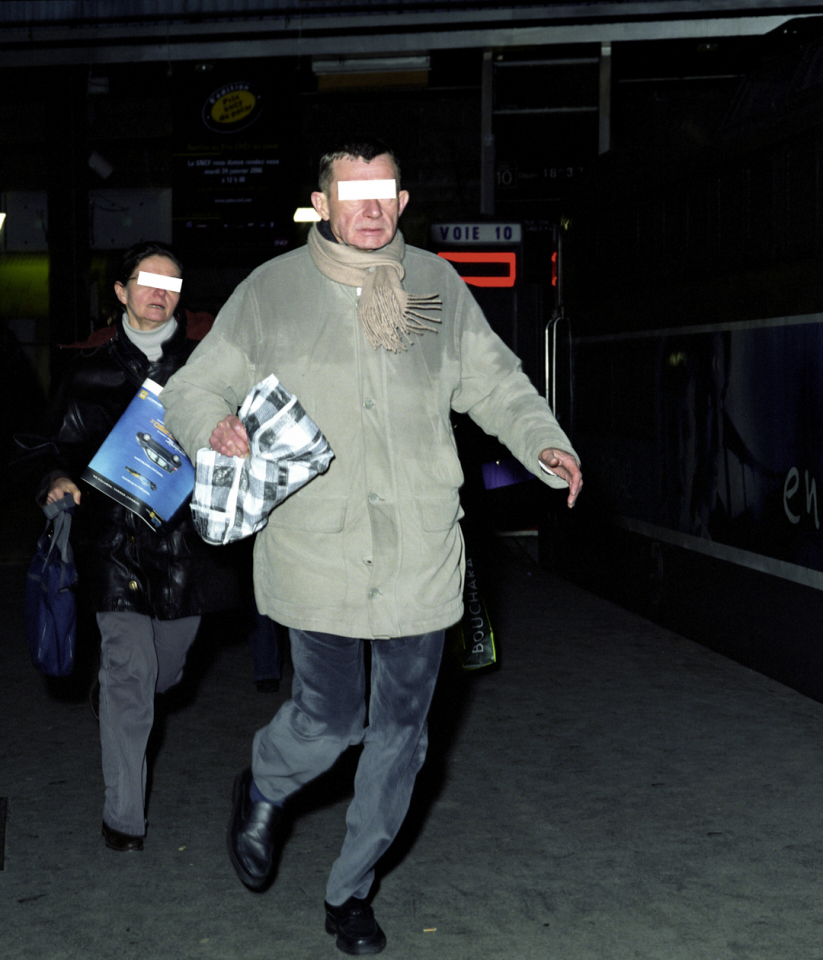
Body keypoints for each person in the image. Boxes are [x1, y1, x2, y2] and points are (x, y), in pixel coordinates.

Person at [161, 137, 582, 955]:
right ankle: (265, 782)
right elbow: (192, 385)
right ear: (320, 204)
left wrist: (543, 442)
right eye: (352, 193)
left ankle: (349, 890)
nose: (369, 207)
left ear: (401, 200)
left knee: (402, 736)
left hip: (420, 553)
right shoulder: (272, 290)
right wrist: (213, 421)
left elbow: (494, 382)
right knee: (326, 722)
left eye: (384, 191)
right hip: (317, 549)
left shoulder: (436, 283)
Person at [15, 241, 239, 852]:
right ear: (120, 291)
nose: (159, 291)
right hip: (111, 545)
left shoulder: (207, 366)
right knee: (128, 672)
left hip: (187, 549)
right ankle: (123, 817)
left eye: (172, 281)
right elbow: (43, 444)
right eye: (146, 280)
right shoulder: (86, 370)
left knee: (167, 671)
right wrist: (54, 478)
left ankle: (125, 691)